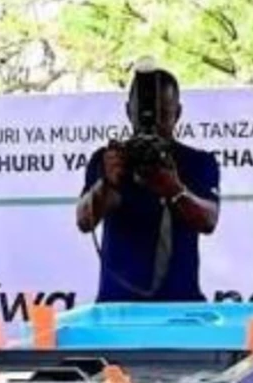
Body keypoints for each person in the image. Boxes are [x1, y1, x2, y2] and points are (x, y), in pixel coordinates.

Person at [75, 66, 220, 302]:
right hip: (118, 306)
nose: (154, 125)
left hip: (180, 304)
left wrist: (174, 190)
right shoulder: (108, 160)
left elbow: (209, 221)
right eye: (145, 116)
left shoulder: (198, 161)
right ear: (128, 111)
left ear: (178, 113)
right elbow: (84, 221)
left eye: (163, 114)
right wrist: (106, 183)